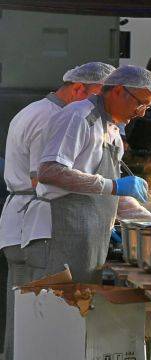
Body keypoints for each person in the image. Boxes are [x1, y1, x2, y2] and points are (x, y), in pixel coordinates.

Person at [0, 62, 115, 359]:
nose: (98, 108)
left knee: (24, 320)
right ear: (79, 89)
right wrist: (106, 188)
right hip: (37, 227)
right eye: (97, 98)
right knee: (38, 321)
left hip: (27, 225)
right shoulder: (51, 118)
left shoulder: (43, 111)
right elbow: (45, 178)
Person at [21, 65, 151, 285]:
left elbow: (113, 189)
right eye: (140, 103)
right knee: (50, 312)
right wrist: (113, 186)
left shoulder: (113, 132)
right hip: (59, 235)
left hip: (89, 243)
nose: (142, 112)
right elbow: (49, 171)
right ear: (118, 91)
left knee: (76, 315)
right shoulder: (79, 116)